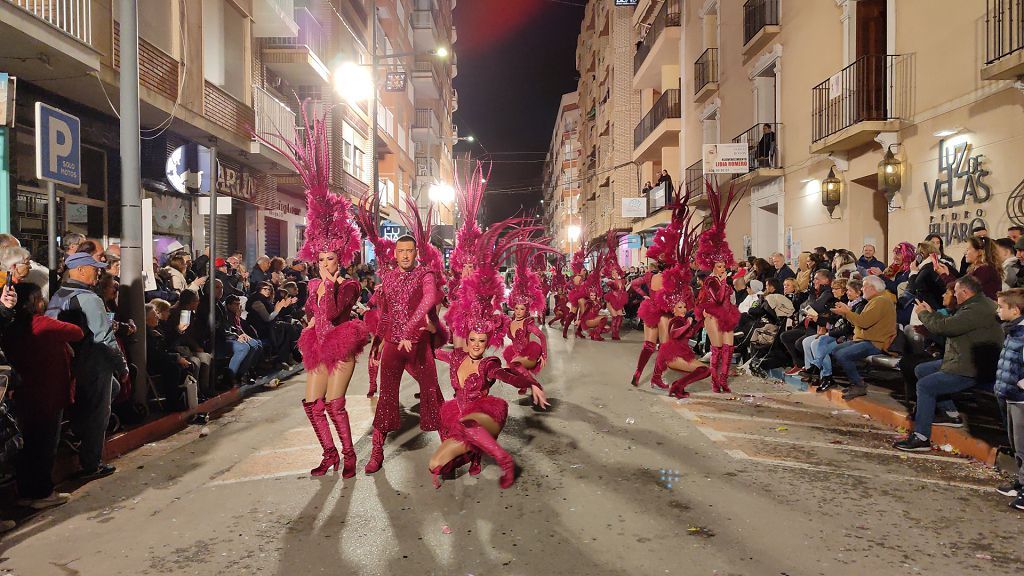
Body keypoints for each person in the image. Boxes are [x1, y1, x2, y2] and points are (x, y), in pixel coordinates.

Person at [893, 275, 1002, 451]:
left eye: (956, 292)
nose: (953, 295)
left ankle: (921, 437)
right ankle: (951, 414)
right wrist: (931, 314)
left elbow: (945, 328)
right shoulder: (975, 305)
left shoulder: (975, 310)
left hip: (971, 367)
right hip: (962, 359)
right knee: (921, 369)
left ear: (965, 292)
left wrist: (923, 315)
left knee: (926, 386)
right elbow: (950, 323)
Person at [366, 234, 444, 474]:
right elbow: (386, 314)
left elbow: (430, 298)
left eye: (410, 251)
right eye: (401, 251)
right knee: (387, 397)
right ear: (396, 253)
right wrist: (377, 342)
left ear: (415, 253)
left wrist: (410, 329)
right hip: (392, 345)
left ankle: (451, 443)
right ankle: (376, 451)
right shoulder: (388, 278)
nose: (406, 255)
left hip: (418, 345)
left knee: (432, 393)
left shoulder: (425, 275)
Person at [46, 252, 128, 480]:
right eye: (94, 268)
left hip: (68, 361)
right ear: (80, 270)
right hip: (93, 362)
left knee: (111, 390)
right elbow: (104, 337)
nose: (98, 271)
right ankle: (91, 463)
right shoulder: (90, 299)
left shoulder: (58, 296)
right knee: (99, 412)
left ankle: (79, 432)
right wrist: (122, 366)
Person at [2, 282, 82, 509]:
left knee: (26, 447)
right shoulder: (42, 324)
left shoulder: (10, 328)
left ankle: (26, 491)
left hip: (21, 395)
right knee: (45, 445)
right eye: (39, 298)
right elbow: (76, 332)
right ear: (32, 302)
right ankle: (42, 492)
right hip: (48, 393)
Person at [694, 184, 741, 393]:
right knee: (717, 349)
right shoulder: (712, 280)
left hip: (727, 315)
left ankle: (723, 381)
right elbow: (719, 298)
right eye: (720, 266)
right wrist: (723, 281)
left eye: (724, 265)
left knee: (729, 350)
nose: (723, 269)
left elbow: (731, 298)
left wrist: (732, 282)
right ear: (713, 266)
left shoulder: (724, 278)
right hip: (713, 316)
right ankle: (715, 382)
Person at [829, 275, 897, 400]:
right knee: (835, 350)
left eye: (864, 286)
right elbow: (860, 322)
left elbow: (863, 322)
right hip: (864, 339)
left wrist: (847, 312)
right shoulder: (875, 300)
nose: (862, 290)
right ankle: (856, 381)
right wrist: (846, 314)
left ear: (872, 288)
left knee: (843, 355)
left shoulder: (881, 301)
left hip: (876, 342)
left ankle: (859, 384)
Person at [991, 288, 1024, 510]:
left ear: (1015, 309)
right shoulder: (1012, 331)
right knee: (1016, 443)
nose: (998, 310)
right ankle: (1021, 482)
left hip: (1020, 398)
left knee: (1023, 444)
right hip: (1009, 395)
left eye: (1002, 306)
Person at [936, 236, 1001, 300]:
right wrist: (947, 274)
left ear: (979, 252)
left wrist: (944, 275)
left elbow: (961, 288)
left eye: (967, 250)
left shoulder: (985, 270)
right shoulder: (978, 269)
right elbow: (960, 283)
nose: (964, 253)